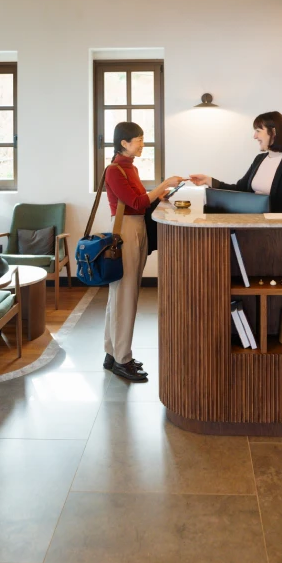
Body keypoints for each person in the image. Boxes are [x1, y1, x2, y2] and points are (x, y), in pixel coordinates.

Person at [104, 121, 184, 382]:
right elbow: (137, 202)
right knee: (125, 295)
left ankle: (112, 353)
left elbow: (140, 201)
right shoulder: (114, 170)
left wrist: (159, 195)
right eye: (138, 140)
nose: (142, 144)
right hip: (126, 231)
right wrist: (163, 184)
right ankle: (122, 359)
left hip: (135, 228)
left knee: (120, 295)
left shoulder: (130, 168)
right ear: (124, 143)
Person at [190, 110, 282, 213]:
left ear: (273, 132)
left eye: (258, 131)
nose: (255, 136)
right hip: (252, 227)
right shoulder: (259, 159)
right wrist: (208, 180)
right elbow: (240, 188)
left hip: (276, 231)